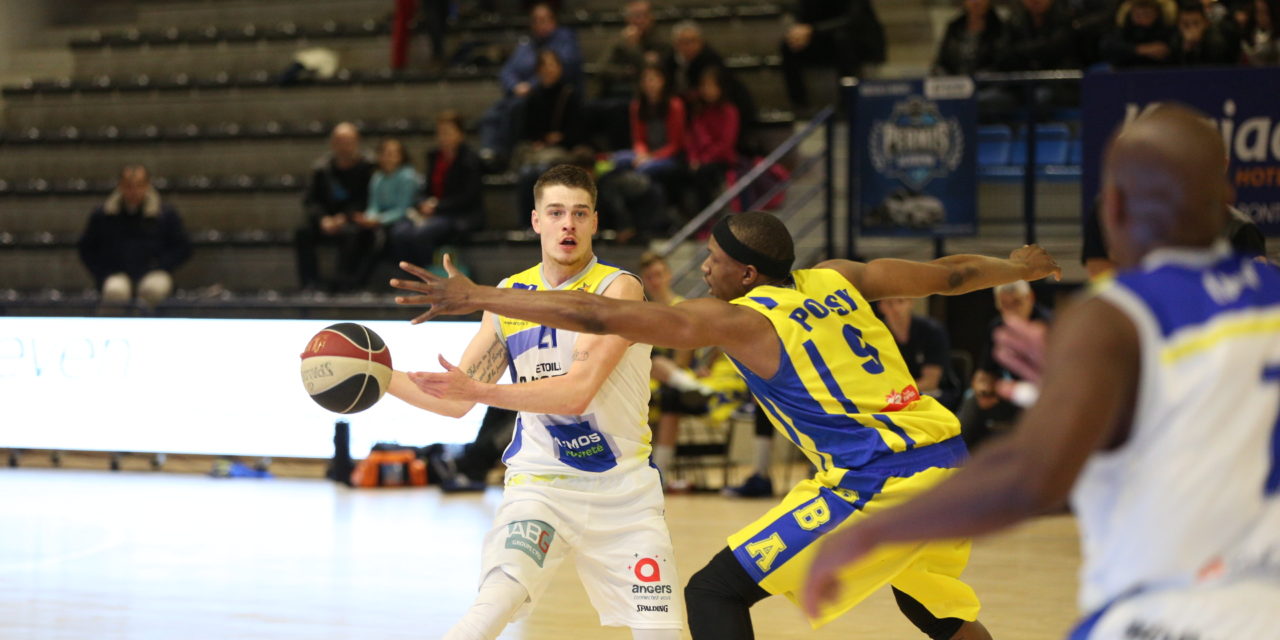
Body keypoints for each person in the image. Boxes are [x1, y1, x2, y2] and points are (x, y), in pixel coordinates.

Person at [393, 210, 1062, 639]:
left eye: (713, 259)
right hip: (945, 455)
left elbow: (598, 315)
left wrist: (479, 295)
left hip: (877, 475)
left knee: (714, 593)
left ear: (745, 272)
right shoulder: (840, 277)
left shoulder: (741, 319)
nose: (703, 267)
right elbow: (952, 274)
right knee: (929, 601)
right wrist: (1021, 267)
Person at [803, 102, 1280, 639]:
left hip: (1170, 611)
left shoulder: (1116, 318)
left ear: (1115, 208)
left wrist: (871, 534)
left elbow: (1029, 475)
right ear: (1230, 198)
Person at [387, 165, 683, 639]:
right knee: (489, 609)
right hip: (540, 488)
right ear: (535, 221)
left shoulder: (619, 289)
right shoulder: (510, 297)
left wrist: (480, 391)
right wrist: (378, 377)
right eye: (556, 212)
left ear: (594, 222)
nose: (568, 223)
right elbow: (455, 400)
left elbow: (577, 391)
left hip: (624, 497)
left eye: (579, 213)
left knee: (664, 634)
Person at [478, 2, 583, 167]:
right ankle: (489, 154)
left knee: (517, 109)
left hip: (546, 94)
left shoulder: (565, 40)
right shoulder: (526, 44)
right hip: (520, 93)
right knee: (492, 114)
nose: (539, 24)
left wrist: (531, 86)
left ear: (553, 20)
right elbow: (507, 71)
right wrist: (515, 86)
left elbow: (558, 69)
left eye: (543, 19)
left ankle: (505, 156)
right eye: (535, 20)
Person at [77, 165, 191, 306]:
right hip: (116, 272)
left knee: (153, 290)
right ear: (120, 186)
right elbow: (86, 248)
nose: (134, 191)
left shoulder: (165, 214)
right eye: (129, 186)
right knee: (115, 291)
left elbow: (182, 247)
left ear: (147, 186)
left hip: (154, 272)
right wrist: (103, 273)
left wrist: (160, 264)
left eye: (139, 185)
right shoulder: (103, 214)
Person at [956, 281, 1051, 450]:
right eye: (1005, 305)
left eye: (1017, 303)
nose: (1012, 311)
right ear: (998, 304)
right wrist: (983, 389)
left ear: (1030, 298)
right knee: (973, 400)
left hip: (1046, 394)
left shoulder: (1049, 325)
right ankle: (959, 458)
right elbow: (986, 370)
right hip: (1010, 393)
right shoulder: (998, 327)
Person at [294, 122, 376, 292]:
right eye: (340, 141)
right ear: (333, 143)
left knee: (357, 235)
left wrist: (345, 217)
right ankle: (310, 284)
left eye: (349, 141)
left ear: (356, 142)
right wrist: (323, 219)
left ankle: (346, 284)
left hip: (354, 219)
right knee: (302, 233)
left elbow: (367, 198)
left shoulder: (367, 168)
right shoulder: (322, 169)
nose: (344, 146)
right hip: (327, 220)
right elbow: (311, 200)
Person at [779, 0, 887, 114]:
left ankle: (847, 101)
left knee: (843, 40)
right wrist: (799, 30)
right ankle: (799, 104)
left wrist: (813, 30)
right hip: (823, 37)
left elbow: (853, 19)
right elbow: (802, 13)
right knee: (788, 46)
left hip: (857, 39)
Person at [413, 110, 485, 267]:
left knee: (423, 234)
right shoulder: (434, 156)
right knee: (401, 232)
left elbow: (468, 197)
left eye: (447, 132)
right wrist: (423, 202)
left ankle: (429, 278)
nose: (443, 137)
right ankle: (409, 276)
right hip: (436, 212)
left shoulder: (469, 159)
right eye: (440, 133)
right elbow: (426, 188)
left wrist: (437, 206)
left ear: (460, 134)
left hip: (460, 214)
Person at [876, 297, 961, 410]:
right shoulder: (876, 334)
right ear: (881, 306)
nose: (895, 309)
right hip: (889, 393)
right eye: (889, 303)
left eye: (901, 302)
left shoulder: (932, 331)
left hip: (929, 392)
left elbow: (931, 382)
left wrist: (900, 395)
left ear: (911, 302)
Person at [685, 66, 740, 218]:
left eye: (711, 86)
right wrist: (693, 158)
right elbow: (691, 139)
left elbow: (725, 144)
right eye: (704, 86)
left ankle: (705, 220)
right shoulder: (698, 110)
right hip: (700, 160)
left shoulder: (729, 111)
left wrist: (703, 160)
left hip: (722, 159)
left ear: (721, 88)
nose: (707, 90)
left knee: (704, 174)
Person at [363, 138, 422, 269]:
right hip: (381, 219)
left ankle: (407, 273)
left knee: (399, 234)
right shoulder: (377, 177)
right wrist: (370, 217)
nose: (388, 158)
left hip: (405, 218)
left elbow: (403, 208)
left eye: (393, 154)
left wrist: (380, 220)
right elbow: (373, 204)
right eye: (385, 154)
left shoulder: (408, 176)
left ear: (401, 156)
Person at [1100, 0, 1177, 68]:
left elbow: (1172, 50)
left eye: (1147, 15)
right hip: (1126, 74)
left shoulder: (1166, 31)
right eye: (1137, 15)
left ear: (1157, 15)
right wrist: (1139, 49)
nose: (1142, 19)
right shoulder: (1124, 30)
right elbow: (1108, 46)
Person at [1171, 2, 1241, 65]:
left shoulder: (1216, 42)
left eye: (1196, 23)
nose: (1191, 29)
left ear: (1206, 23)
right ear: (1178, 25)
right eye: (1185, 24)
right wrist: (1185, 51)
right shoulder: (1174, 41)